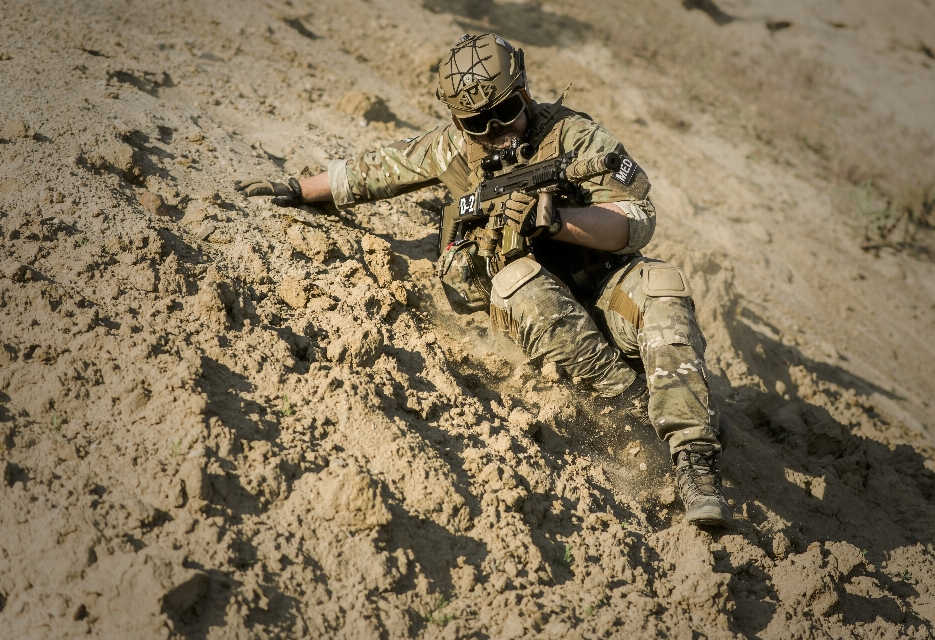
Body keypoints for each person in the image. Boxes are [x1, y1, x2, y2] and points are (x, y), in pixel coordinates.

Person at [236, 33, 732, 525]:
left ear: (526, 95)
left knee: (663, 283)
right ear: (458, 122)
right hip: (528, 311)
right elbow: (378, 170)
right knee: (518, 279)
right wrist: (299, 188)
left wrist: (556, 220)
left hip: (602, 290)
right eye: (477, 123)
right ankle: (629, 405)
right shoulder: (451, 152)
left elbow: (638, 218)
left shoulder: (576, 138)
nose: (496, 130)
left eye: (507, 110)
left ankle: (695, 460)